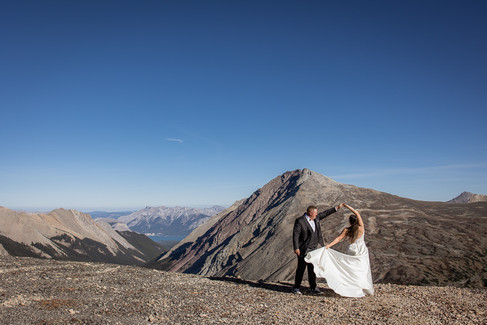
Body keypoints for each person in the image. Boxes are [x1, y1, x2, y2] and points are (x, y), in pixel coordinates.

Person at [305, 203, 374, 297]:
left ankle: (352, 286)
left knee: (351, 268)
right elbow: (357, 213)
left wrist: (328, 246)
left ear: (349, 222)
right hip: (361, 250)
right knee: (361, 268)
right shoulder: (361, 228)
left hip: (352, 249)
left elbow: (338, 239)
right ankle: (362, 286)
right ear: (357, 220)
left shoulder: (347, 230)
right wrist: (348, 206)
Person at [292, 203, 344, 294]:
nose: (317, 214)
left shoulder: (316, 219)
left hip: (315, 248)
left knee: (312, 269)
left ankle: (313, 287)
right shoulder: (300, 221)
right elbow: (295, 235)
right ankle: (296, 288)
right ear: (310, 213)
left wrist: (337, 208)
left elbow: (325, 213)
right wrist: (296, 248)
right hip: (304, 248)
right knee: (301, 268)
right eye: (315, 213)